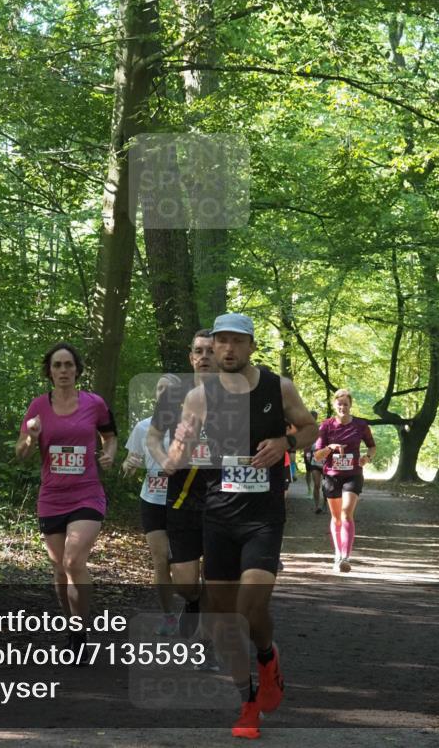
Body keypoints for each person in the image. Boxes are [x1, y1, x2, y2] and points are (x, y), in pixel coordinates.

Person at [166, 313, 317, 739]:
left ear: (251, 346)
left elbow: (311, 428)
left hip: (262, 518)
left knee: (248, 607)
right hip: (217, 517)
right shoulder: (199, 397)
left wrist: (286, 442)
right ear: (213, 346)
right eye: (221, 341)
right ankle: (247, 701)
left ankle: (266, 655)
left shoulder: (277, 387)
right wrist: (176, 445)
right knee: (225, 621)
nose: (228, 349)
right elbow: (176, 457)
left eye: (237, 341)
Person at [16, 342, 117, 654]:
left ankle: (80, 633)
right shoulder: (37, 407)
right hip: (52, 497)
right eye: (57, 365)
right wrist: (31, 438)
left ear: (77, 370)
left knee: (74, 561)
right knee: (60, 570)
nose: (63, 370)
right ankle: (72, 625)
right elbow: (20, 454)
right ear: (49, 371)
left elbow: (110, 436)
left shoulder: (94, 404)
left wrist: (109, 453)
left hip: (87, 494)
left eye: (68, 365)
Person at [147, 330, 216, 645]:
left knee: (215, 576)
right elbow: (153, 437)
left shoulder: (237, 396)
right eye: (199, 351)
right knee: (184, 582)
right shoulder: (173, 395)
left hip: (221, 497)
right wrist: (164, 459)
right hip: (181, 497)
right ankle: (193, 601)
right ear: (191, 357)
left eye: (210, 351)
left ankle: (207, 644)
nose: (204, 357)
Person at [123, 374, 181, 636]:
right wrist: (129, 465)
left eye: (170, 389)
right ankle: (168, 616)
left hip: (184, 501)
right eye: (160, 388)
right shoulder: (142, 427)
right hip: (152, 499)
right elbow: (129, 463)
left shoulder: (192, 426)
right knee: (161, 560)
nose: (164, 393)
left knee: (185, 564)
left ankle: (193, 605)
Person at [312, 389, 376, 572]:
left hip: (353, 474)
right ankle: (337, 553)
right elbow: (317, 456)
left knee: (346, 513)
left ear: (350, 405)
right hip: (332, 476)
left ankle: (345, 557)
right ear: (334, 405)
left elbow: (372, 447)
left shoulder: (360, 425)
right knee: (336, 517)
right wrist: (330, 447)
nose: (342, 407)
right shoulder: (326, 426)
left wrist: (367, 458)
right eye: (339, 404)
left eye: (345, 404)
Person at [303, 410, 323, 513]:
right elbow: (306, 443)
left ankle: (325, 504)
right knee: (317, 483)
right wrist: (307, 454)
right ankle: (317, 506)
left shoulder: (322, 428)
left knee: (326, 485)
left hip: (325, 461)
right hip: (313, 458)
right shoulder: (307, 428)